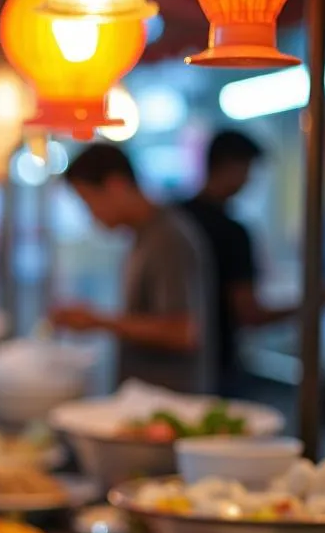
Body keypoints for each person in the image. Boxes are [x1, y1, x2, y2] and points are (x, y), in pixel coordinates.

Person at [50, 143, 217, 395]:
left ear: (116, 186)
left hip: (170, 405)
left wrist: (97, 321)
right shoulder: (144, 235)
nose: (91, 215)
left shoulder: (168, 236)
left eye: (88, 201)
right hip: (149, 403)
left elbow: (183, 332)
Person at [179, 131, 296, 395]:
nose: (248, 180)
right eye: (248, 170)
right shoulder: (233, 232)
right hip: (217, 363)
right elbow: (249, 312)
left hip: (174, 365)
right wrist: (317, 300)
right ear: (231, 166)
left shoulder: (176, 217)